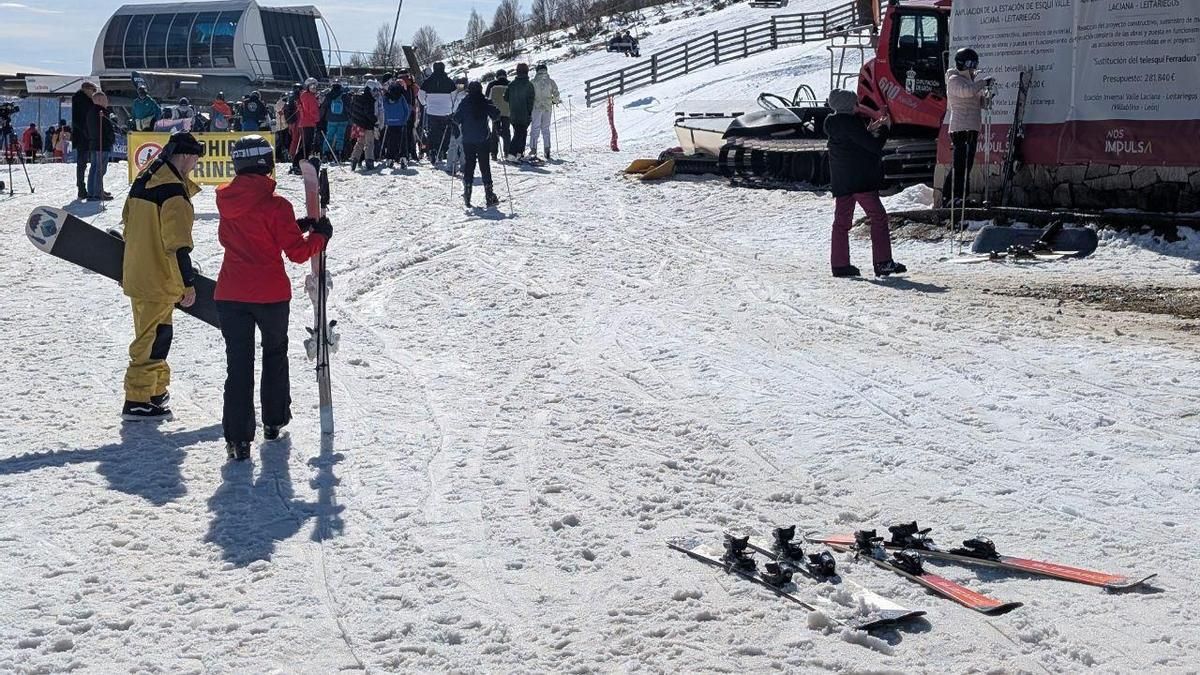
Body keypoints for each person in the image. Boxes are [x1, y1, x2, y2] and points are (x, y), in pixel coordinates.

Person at [214, 135, 331, 460]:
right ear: (266, 164)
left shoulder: (225, 201)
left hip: (231, 292)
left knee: (238, 364)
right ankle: (274, 420)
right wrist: (319, 236)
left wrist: (296, 226)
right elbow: (296, 252)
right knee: (274, 354)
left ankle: (237, 440)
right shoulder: (277, 204)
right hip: (269, 294)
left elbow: (250, 232)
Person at [119, 131, 206, 420]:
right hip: (159, 278)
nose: (195, 165)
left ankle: (155, 391)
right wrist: (188, 283)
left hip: (139, 273)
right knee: (150, 339)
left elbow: (127, 224)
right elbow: (177, 243)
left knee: (158, 336)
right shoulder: (173, 192)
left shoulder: (144, 179)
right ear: (185, 155)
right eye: (195, 158)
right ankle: (137, 398)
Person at [823, 89, 906, 278]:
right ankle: (883, 262)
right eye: (854, 102)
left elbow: (851, 140)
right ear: (847, 104)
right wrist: (885, 127)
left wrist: (868, 131)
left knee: (841, 223)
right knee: (878, 217)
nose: (857, 105)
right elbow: (874, 147)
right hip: (860, 180)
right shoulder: (851, 123)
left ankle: (840, 264)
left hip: (841, 180)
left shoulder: (832, 122)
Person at [942, 48, 993, 208]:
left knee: (967, 165)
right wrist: (983, 83)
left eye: (975, 64)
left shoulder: (971, 82)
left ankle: (962, 196)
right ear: (962, 64)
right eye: (970, 64)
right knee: (960, 165)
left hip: (972, 128)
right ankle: (950, 197)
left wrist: (988, 96)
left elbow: (981, 103)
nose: (973, 67)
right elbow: (966, 92)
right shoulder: (954, 79)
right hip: (960, 128)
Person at [453, 81, 501, 208]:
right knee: (485, 166)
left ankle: (467, 193)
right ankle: (489, 195)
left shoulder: (464, 102)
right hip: (483, 138)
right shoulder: (485, 101)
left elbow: (456, 119)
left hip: (468, 139)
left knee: (469, 165)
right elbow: (495, 114)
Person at [420, 62, 455, 163]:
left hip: (432, 111)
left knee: (433, 132)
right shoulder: (449, 81)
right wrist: (452, 106)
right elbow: (454, 96)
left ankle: (433, 150)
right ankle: (443, 150)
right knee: (445, 132)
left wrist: (424, 104)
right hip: (446, 111)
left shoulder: (427, 81)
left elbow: (421, 95)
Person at [85, 91, 116, 201]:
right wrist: (111, 139)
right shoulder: (101, 112)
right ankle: (97, 193)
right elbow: (107, 129)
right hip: (102, 144)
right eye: (105, 99)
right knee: (100, 169)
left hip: (94, 144)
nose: (107, 101)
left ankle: (92, 191)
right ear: (99, 100)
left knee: (94, 168)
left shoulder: (90, 112)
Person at [528, 64, 560, 161]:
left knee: (535, 128)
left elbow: (529, 95)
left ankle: (533, 149)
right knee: (546, 129)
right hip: (547, 108)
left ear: (537, 71)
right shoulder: (550, 81)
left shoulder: (533, 82)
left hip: (536, 107)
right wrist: (554, 101)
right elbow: (556, 93)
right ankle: (547, 149)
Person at [504, 63, 536, 162]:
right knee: (520, 133)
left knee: (520, 132)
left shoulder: (511, 84)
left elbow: (505, 98)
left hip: (513, 113)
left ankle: (519, 154)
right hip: (524, 114)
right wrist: (530, 113)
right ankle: (512, 154)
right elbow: (531, 101)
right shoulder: (529, 85)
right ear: (527, 72)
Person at [71, 81, 97, 200]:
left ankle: (84, 187)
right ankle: (81, 187)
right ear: (87, 89)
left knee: (84, 163)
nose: (93, 93)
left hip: (85, 135)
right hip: (83, 136)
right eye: (93, 90)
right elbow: (78, 120)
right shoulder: (80, 100)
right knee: (82, 163)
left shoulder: (84, 100)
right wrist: (86, 132)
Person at [349, 80, 381, 172]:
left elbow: (352, 111)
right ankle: (369, 161)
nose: (375, 92)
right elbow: (368, 113)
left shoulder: (357, 98)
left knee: (360, 143)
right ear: (370, 89)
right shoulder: (369, 99)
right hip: (367, 125)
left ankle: (354, 159)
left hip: (359, 124)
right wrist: (375, 121)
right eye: (374, 90)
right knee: (369, 143)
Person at [292, 78, 320, 174]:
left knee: (306, 145)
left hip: (307, 123)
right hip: (308, 123)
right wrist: (317, 119)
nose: (314, 88)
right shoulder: (308, 97)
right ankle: (297, 163)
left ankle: (299, 163)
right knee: (306, 145)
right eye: (312, 87)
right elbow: (311, 110)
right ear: (307, 87)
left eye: (315, 87)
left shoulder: (307, 96)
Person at [380, 82, 412, 169]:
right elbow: (406, 109)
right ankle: (403, 157)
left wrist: (385, 120)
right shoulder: (401, 98)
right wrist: (405, 120)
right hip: (401, 122)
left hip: (389, 123)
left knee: (391, 141)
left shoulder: (385, 98)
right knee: (402, 141)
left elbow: (382, 109)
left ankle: (390, 158)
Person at [320, 82, 352, 160]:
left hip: (331, 119)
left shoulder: (329, 95)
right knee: (340, 137)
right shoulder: (344, 96)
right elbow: (349, 108)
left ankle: (326, 153)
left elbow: (324, 107)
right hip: (343, 119)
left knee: (329, 136)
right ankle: (338, 153)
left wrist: (321, 118)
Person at [485, 69, 512, 161]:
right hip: (506, 111)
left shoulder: (492, 84)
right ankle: (507, 152)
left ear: (497, 76)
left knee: (494, 132)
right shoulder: (510, 84)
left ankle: (494, 153)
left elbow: (487, 97)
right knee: (506, 131)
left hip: (494, 112)